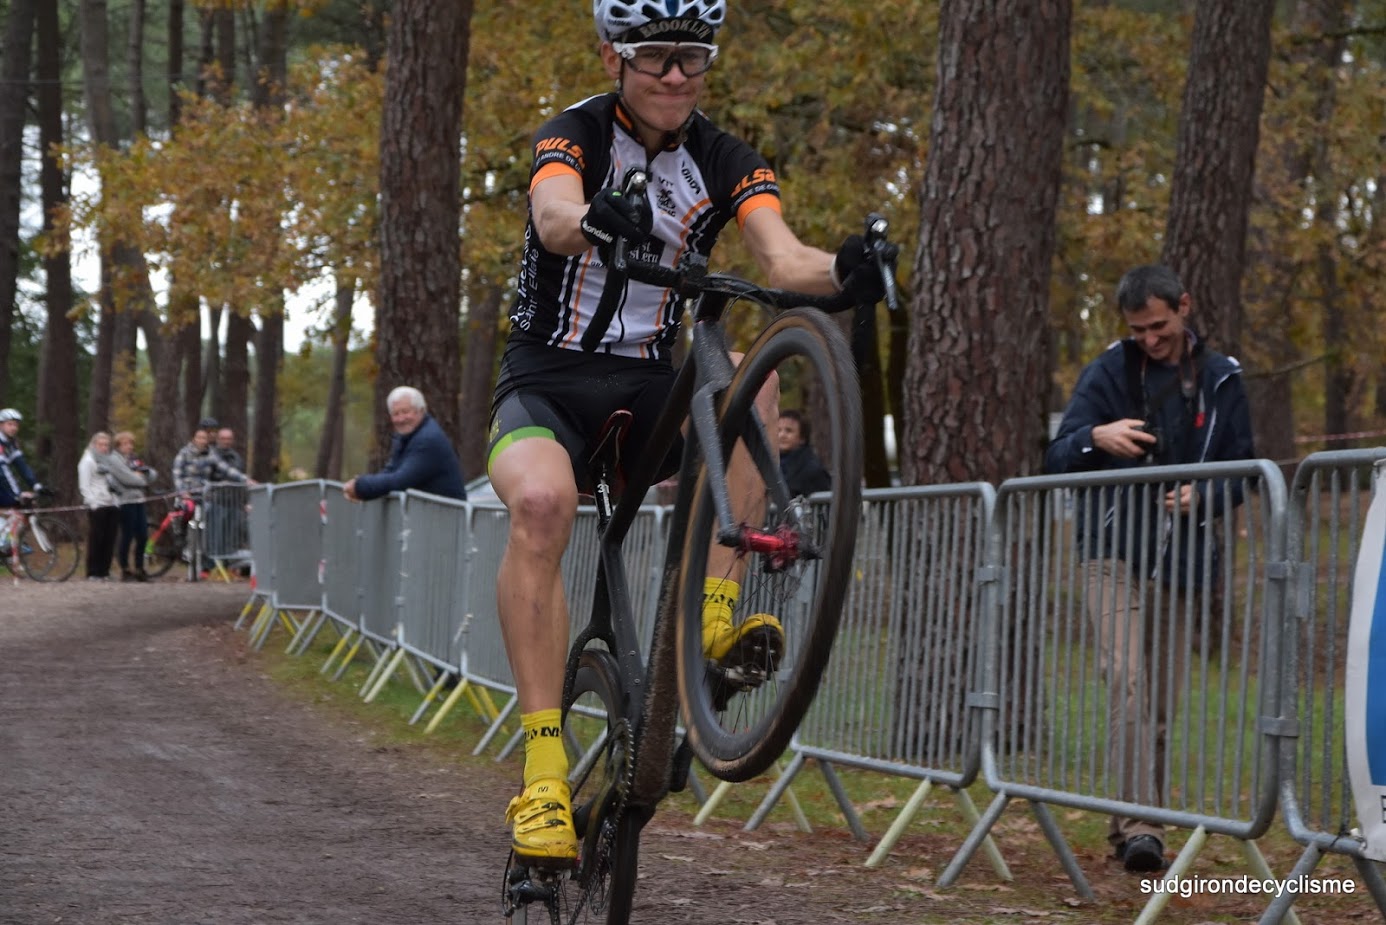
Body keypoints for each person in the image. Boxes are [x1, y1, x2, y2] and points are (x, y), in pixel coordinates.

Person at [485, 1, 896, 867]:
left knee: (758, 382)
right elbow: (556, 214)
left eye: (694, 58)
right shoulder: (574, 134)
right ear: (613, 59)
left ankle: (714, 619)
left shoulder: (725, 157)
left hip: (648, 383)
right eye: (657, 56)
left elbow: (783, 259)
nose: (677, 75)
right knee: (540, 502)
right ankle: (544, 772)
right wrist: (601, 215)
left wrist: (847, 266)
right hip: (548, 379)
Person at [1043, 264, 1253, 873]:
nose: (1150, 340)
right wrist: (1096, 438)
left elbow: (1245, 466)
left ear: (1184, 306)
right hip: (1111, 554)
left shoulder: (1221, 378)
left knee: (1158, 705)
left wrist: (1206, 497)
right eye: (1138, 330)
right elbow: (1057, 456)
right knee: (1124, 678)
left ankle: (1134, 822)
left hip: (1183, 560)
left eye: (1159, 327)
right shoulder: (1110, 369)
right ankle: (1142, 827)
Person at [342, 387, 467, 502]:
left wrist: (360, 486)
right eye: (396, 414)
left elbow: (401, 481)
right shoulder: (407, 437)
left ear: (421, 411)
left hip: (444, 521)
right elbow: (391, 470)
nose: (401, 419)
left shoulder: (427, 440)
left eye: (406, 412)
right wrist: (362, 485)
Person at [107, 431, 157, 581]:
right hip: (125, 502)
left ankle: (140, 567)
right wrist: (141, 479)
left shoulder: (134, 459)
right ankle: (125, 569)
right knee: (127, 536)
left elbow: (152, 473)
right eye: (125, 444)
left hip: (139, 500)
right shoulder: (114, 460)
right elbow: (126, 479)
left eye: (131, 443)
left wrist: (144, 475)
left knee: (142, 535)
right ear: (118, 446)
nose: (129, 447)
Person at [77, 432, 122, 581]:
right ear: (94, 445)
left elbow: (112, 481)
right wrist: (93, 502)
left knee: (110, 539)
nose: (104, 448)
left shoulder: (108, 460)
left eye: (106, 445)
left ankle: (105, 571)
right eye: (101, 445)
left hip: (111, 503)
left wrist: (116, 500)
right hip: (97, 504)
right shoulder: (88, 460)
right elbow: (84, 485)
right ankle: (93, 571)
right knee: (97, 539)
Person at [173, 418, 249, 495]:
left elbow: (226, 468)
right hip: (187, 494)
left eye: (204, 438)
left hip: (205, 494)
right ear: (194, 439)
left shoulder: (211, 453)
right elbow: (177, 475)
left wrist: (245, 479)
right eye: (199, 438)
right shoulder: (184, 453)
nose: (202, 441)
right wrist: (183, 492)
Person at [776, 409, 831, 497]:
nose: (782, 435)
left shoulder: (812, 470)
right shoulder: (770, 463)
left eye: (789, 431)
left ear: (802, 438)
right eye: (778, 430)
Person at [0, 408, 42, 511]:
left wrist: (36, 485)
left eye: (16, 425)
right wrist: (17, 494)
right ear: (1, 425)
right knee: (13, 501)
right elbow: (3, 472)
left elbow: (22, 466)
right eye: (10, 424)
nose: (14, 428)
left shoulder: (11, 443)